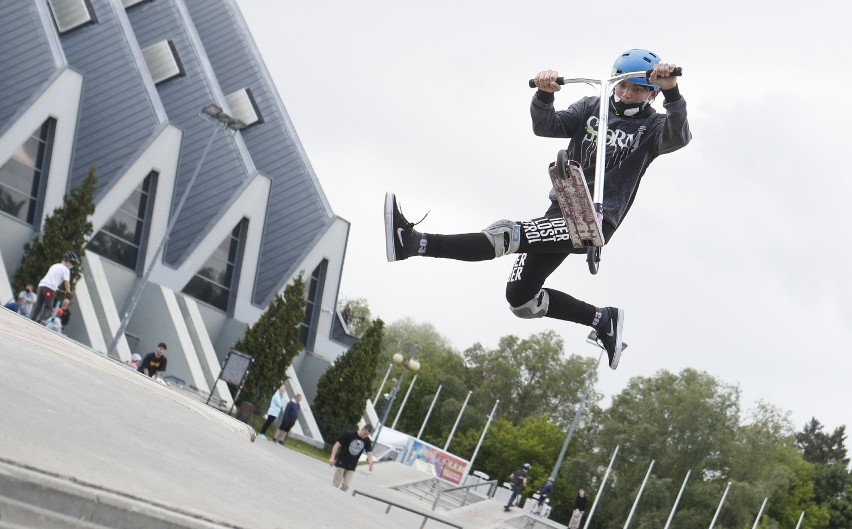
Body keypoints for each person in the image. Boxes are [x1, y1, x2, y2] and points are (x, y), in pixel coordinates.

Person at [384, 49, 691, 370]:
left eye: (638, 89)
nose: (627, 94)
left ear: (651, 93)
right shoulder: (591, 107)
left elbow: (678, 136)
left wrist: (672, 91)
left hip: (594, 220)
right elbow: (547, 126)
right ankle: (602, 319)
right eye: (622, 86)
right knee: (521, 299)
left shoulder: (653, 127)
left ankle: (415, 242)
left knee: (505, 234)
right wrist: (544, 96)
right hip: (560, 209)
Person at [31, 251, 79, 323]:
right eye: (71, 262)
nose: (72, 265)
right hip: (49, 288)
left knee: (38, 305)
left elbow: (51, 278)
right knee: (48, 307)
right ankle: (38, 321)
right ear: (66, 260)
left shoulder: (55, 265)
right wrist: (68, 290)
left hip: (41, 286)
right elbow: (66, 282)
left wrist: (55, 286)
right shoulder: (66, 269)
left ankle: (32, 318)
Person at [328, 425, 374, 492]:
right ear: (362, 429)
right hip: (342, 461)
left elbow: (369, 452)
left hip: (352, 465)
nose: (365, 436)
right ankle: (331, 494)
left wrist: (370, 463)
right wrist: (332, 458)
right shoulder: (350, 435)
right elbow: (337, 445)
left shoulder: (367, 440)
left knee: (346, 485)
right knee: (336, 483)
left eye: (367, 435)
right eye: (365, 434)